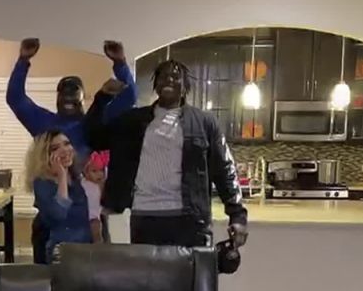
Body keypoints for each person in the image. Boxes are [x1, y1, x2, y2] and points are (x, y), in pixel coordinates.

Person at [85, 60, 249, 248]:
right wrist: (102, 98)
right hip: (145, 217)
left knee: (190, 277)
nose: (169, 79)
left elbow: (224, 169)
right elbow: (93, 138)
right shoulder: (133, 121)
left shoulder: (204, 123)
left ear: (185, 86)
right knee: (149, 277)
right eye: (163, 76)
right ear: (155, 85)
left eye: (175, 76)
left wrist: (237, 215)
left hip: (191, 220)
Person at [7, 37, 137, 263]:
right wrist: (23, 60)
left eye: (73, 96)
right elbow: (16, 99)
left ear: (82, 99)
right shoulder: (44, 124)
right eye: (63, 95)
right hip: (53, 220)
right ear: (57, 98)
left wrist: (121, 64)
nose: (68, 100)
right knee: (48, 285)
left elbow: (129, 97)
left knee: (92, 283)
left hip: (90, 218)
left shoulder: (93, 124)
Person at [25, 130, 91, 263]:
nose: (65, 150)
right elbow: (59, 214)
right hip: (57, 251)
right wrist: (61, 176)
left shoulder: (75, 177)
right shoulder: (42, 182)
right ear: (45, 155)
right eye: (55, 148)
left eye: (67, 144)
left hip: (82, 247)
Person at [82, 151, 109, 243]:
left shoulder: (102, 185)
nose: (99, 174)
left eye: (101, 170)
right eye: (94, 171)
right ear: (86, 172)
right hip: (89, 218)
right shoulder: (84, 184)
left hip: (99, 217)